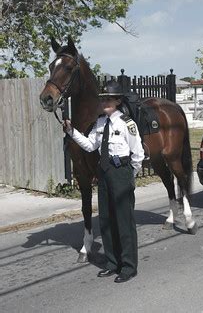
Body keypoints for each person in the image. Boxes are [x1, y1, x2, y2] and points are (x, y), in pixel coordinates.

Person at [64, 80, 144, 283]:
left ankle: (128, 266)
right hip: (104, 173)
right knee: (106, 221)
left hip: (121, 172)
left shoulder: (128, 124)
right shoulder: (100, 123)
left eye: (109, 99)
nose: (105, 102)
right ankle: (112, 262)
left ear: (117, 101)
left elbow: (138, 154)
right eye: (103, 99)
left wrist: (129, 176)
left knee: (124, 221)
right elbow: (91, 146)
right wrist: (72, 132)